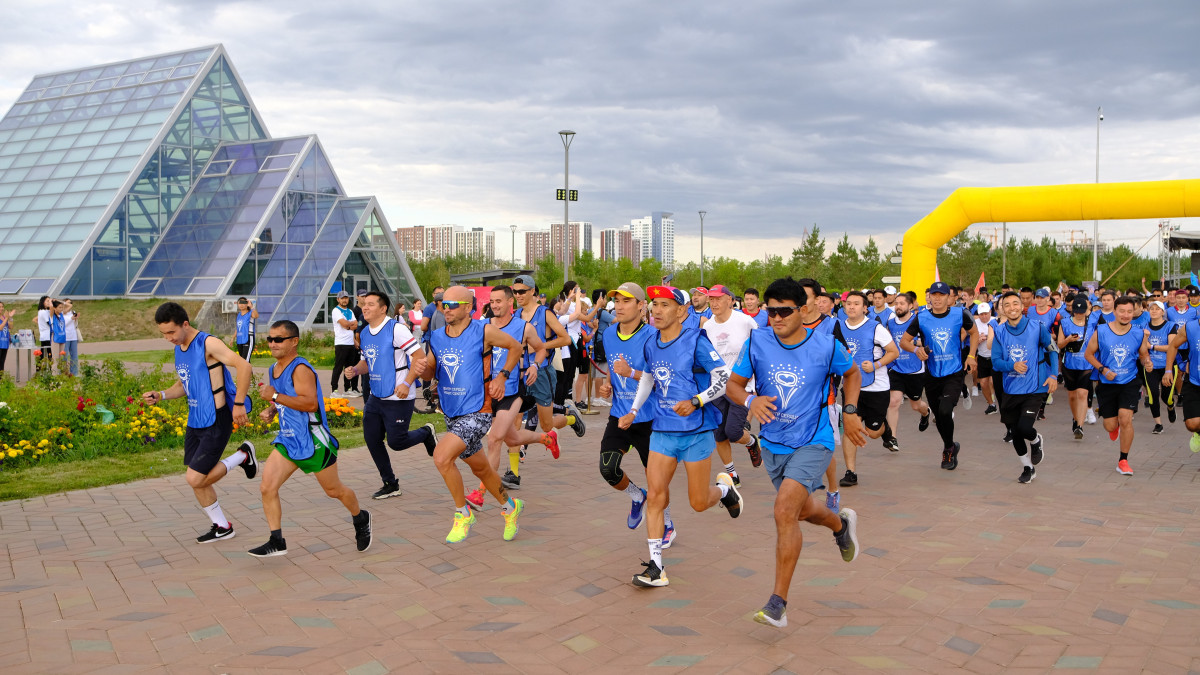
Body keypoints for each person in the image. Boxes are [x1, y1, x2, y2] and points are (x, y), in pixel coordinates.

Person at [726, 277, 863, 628]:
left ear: (803, 310)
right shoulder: (757, 341)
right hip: (773, 443)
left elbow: (852, 374)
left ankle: (778, 604)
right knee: (802, 512)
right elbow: (733, 385)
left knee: (784, 511)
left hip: (813, 441)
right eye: (770, 312)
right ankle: (840, 524)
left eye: (784, 311)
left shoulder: (826, 346)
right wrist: (750, 400)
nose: (776, 318)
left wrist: (849, 414)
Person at [619, 285, 742, 588]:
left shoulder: (696, 340)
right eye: (654, 305)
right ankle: (656, 567)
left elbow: (724, 379)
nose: (657, 311)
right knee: (655, 497)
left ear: (681, 311)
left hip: (696, 432)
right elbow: (648, 376)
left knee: (698, 502)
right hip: (662, 430)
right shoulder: (650, 342)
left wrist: (697, 401)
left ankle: (725, 491)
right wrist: (634, 410)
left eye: (664, 305)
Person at [248, 320, 372, 557]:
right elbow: (286, 398)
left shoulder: (300, 369)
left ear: (294, 342)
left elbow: (310, 403)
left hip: (313, 441)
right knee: (267, 487)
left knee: (334, 490)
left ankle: (360, 517)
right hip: (288, 440)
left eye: (278, 339)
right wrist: (272, 409)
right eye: (270, 339)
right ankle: (276, 540)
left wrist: (273, 395)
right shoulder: (274, 369)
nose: (272, 344)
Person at [143, 302, 258, 544]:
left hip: (216, 419)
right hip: (196, 420)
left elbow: (244, 366)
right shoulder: (180, 347)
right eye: (163, 333)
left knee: (195, 478)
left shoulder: (208, 343)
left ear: (185, 324)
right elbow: (185, 383)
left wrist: (238, 404)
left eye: (171, 332)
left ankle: (243, 456)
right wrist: (161, 395)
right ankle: (222, 526)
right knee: (196, 476)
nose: (168, 338)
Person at [423, 286, 526, 543]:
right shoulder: (435, 336)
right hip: (451, 411)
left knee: (441, 457)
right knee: (481, 469)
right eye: (442, 304)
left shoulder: (484, 330)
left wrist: (502, 376)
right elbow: (430, 372)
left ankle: (463, 513)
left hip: (478, 410)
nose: (446, 309)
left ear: (469, 307)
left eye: (453, 305)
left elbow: (515, 348)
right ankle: (510, 506)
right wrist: (422, 370)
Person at [464, 285, 560, 507]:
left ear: (510, 303)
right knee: (513, 439)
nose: (495, 305)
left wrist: (535, 366)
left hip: (512, 391)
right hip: (488, 393)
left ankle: (480, 492)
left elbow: (541, 348)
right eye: (492, 301)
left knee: (494, 438)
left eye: (499, 301)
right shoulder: (482, 326)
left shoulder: (524, 328)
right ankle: (547, 438)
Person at [599, 282, 678, 543]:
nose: (619, 307)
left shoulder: (653, 336)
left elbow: (663, 378)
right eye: (617, 301)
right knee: (608, 469)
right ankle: (636, 495)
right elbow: (613, 365)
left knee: (656, 481)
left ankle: (667, 524)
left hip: (650, 420)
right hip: (620, 414)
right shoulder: (609, 334)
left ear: (641, 305)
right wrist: (608, 382)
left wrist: (630, 373)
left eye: (626, 301)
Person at [342, 291, 437, 500]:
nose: (364, 307)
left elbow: (420, 358)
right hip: (376, 395)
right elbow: (368, 361)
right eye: (363, 304)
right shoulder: (365, 332)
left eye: (370, 304)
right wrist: (355, 370)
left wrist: (406, 383)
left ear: (383, 308)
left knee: (397, 442)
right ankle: (390, 483)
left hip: (398, 395)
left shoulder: (397, 330)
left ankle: (426, 433)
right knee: (371, 438)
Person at [900, 281, 979, 471]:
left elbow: (974, 333)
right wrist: (916, 349)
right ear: (929, 297)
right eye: (933, 295)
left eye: (941, 295)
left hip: (954, 372)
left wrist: (971, 356)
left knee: (945, 411)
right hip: (932, 373)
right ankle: (950, 445)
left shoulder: (960, 314)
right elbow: (904, 341)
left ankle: (948, 450)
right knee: (939, 415)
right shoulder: (922, 317)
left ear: (949, 298)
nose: (937, 298)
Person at [991, 292, 1058, 484]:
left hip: (1034, 387)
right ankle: (1028, 467)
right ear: (1002, 309)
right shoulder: (1000, 332)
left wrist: (1053, 374)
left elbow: (1052, 349)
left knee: (1024, 427)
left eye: (1015, 303)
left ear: (1022, 307)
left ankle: (1036, 439)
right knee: (1015, 431)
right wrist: (1012, 365)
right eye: (1007, 305)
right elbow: (995, 362)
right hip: (1010, 389)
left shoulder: (1037, 327)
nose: (1011, 308)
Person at [834, 291, 899, 487]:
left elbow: (894, 352)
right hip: (851, 387)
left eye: (856, 304)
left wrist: (876, 365)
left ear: (865, 308)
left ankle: (885, 430)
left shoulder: (876, 328)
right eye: (848, 303)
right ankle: (850, 472)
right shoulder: (838, 328)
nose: (851, 307)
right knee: (850, 428)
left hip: (876, 387)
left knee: (871, 432)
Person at [700, 284, 763, 485]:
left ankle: (752, 442)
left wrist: (757, 379)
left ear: (730, 300)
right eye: (711, 299)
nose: (714, 303)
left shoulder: (745, 321)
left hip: (740, 386)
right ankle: (732, 475)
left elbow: (760, 346)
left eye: (718, 298)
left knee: (734, 432)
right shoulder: (708, 326)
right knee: (719, 434)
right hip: (717, 386)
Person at [1086, 296, 1150, 475]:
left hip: (1129, 381)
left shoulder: (1138, 332)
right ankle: (1114, 428)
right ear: (1114, 312)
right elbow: (1089, 354)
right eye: (1122, 311)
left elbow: (1143, 354)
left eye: (1130, 311)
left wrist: (1148, 362)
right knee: (1110, 425)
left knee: (1126, 418)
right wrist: (1103, 369)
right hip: (1107, 383)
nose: (1126, 315)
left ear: (1135, 312)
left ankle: (1123, 460)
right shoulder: (1101, 330)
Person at [512, 275, 583, 438]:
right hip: (521, 373)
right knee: (514, 421)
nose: (518, 295)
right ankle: (514, 463)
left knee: (546, 425)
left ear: (532, 291)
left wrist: (540, 347)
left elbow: (565, 339)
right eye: (515, 292)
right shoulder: (516, 315)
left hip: (542, 371)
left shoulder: (544, 313)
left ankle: (571, 418)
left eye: (522, 292)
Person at [885, 292, 932, 450]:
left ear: (911, 306)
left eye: (902, 303)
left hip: (915, 370)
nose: (898, 306)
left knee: (915, 405)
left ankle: (925, 413)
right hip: (897, 368)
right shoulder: (890, 323)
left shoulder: (919, 321)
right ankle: (892, 438)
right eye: (896, 303)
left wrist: (918, 343)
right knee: (893, 402)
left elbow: (928, 340)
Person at [1057, 297, 1093, 439]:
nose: (1079, 314)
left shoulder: (1092, 323)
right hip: (1070, 363)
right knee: (1072, 396)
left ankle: (1080, 426)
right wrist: (1068, 340)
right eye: (1076, 311)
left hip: (1086, 364)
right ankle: (1075, 417)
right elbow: (1059, 344)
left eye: (1081, 312)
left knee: (1083, 394)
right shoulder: (1065, 323)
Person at [330, 291, 359, 396]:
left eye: (346, 298)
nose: (344, 300)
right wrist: (349, 325)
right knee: (338, 367)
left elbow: (356, 325)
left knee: (349, 367)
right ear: (338, 299)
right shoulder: (336, 311)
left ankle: (347, 389)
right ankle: (334, 390)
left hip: (350, 342)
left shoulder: (350, 311)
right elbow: (344, 324)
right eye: (342, 298)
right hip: (341, 343)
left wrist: (349, 325)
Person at [974, 303, 998, 415]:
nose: (984, 316)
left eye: (986, 314)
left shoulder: (996, 321)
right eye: (981, 314)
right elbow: (972, 340)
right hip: (983, 356)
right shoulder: (975, 324)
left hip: (995, 356)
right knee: (983, 383)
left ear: (990, 312)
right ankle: (991, 404)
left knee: (994, 382)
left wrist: (988, 337)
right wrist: (978, 340)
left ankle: (1002, 402)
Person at [232, 297, 258, 362]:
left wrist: (252, 307)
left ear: (247, 303)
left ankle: (245, 372)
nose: (241, 305)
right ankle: (249, 372)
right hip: (240, 339)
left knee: (245, 361)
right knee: (243, 361)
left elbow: (256, 316)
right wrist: (233, 338)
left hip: (248, 338)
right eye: (240, 303)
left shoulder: (250, 313)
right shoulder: (239, 315)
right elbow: (238, 328)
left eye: (243, 303)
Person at [60, 299, 80, 377]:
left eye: (70, 303)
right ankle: (63, 373)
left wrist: (75, 319)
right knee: (64, 356)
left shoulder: (73, 312)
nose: (69, 305)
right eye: (67, 303)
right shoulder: (61, 313)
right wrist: (71, 318)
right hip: (65, 337)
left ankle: (74, 373)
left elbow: (75, 324)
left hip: (73, 336)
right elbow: (63, 323)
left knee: (74, 355)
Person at [34, 296, 53, 373]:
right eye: (47, 301)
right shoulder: (42, 311)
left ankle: (39, 370)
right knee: (49, 355)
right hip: (46, 336)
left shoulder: (46, 311)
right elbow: (49, 322)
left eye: (50, 300)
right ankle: (48, 371)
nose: (49, 302)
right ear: (42, 302)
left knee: (43, 355)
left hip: (46, 335)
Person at [0, 303, 11, 374]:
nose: (1, 308)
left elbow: (11, 326)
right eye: (0, 307)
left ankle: (1, 379)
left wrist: (10, 318)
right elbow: (0, 328)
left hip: (5, 342)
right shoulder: (5, 318)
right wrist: (6, 318)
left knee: (2, 362)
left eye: (2, 307)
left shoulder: (4, 317)